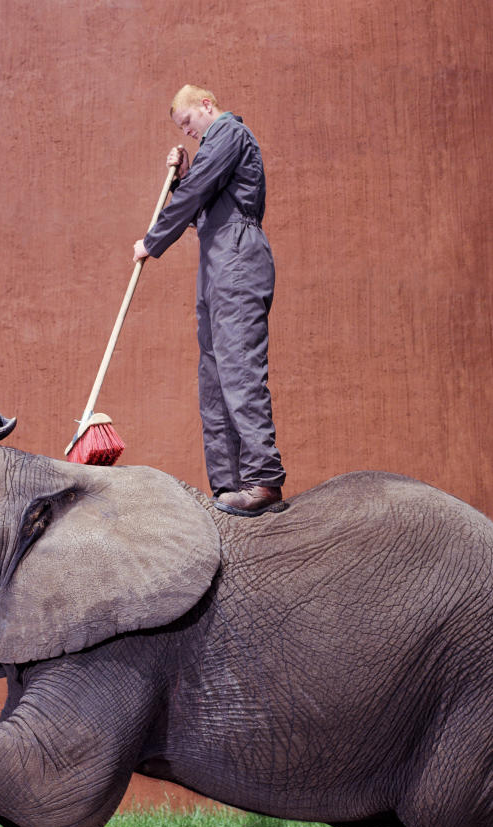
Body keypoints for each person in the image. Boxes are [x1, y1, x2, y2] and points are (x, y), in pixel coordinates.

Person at [133, 85, 287, 517]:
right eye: (182, 130)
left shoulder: (229, 133)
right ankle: (228, 483)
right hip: (216, 260)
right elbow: (202, 207)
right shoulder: (211, 151)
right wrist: (181, 179)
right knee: (214, 373)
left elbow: (199, 191)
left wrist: (152, 239)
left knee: (238, 365)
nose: (189, 134)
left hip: (238, 257)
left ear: (207, 106)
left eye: (188, 124)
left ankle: (262, 479)